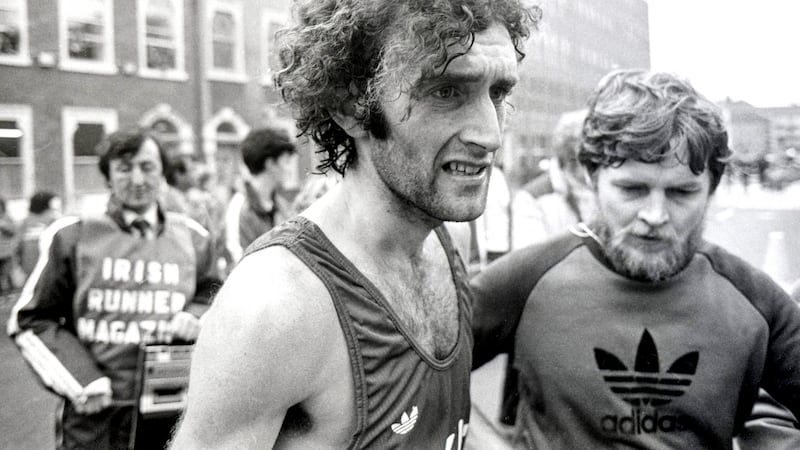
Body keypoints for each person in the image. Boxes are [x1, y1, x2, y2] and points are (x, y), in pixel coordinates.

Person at [170, 1, 537, 447]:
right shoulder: (275, 308)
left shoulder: (447, 237)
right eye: (447, 92)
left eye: (498, 93)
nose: (491, 135)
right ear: (351, 106)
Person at [471, 69, 800, 448]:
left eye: (681, 193)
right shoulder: (528, 278)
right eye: (633, 189)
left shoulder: (752, 298)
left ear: (711, 190)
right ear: (593, 176)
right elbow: (409, 373)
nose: (655, 215)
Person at [7, 129, 222, 449]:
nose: (137, 180)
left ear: (162, 172)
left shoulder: (193, 237)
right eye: (124, 168)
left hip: (171, 412)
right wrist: (82, 381)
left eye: (147, 167)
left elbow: (215, 294)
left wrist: (197, 315)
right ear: (108, 175)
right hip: (96, 414)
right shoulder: (73, 236)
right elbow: (30, 320)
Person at [222, 126, 299, 264]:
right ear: (270, 164)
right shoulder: (239, 209)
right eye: (287, 162)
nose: (290, 169)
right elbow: (239, 265)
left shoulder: (283, 207)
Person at [16, 190, 62, 278]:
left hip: (29, 272)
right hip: (49, 273)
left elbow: (17, 248)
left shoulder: (24, 224)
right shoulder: (54, 223)